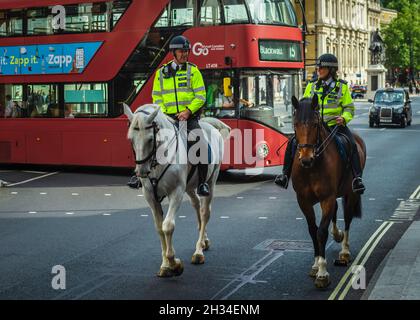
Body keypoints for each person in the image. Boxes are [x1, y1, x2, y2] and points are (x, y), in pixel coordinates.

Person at [127, 35, 209, 196]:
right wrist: (164, 114)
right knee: (144, 140)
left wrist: (187, 112)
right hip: (167, 117)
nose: (185, 54)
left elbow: (201, 96)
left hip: (188, 117)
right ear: (173, 52)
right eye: (181, 51)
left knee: (201, 145)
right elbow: (157, 97)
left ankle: (202, 183)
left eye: (187, 51)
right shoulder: (161, 73)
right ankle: (139, 176)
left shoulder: (194, 71)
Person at [274, 53, 366, 195]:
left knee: (352, 144)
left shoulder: (341, 87)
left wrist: (344, 118)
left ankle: (356, 179)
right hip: (313, 126)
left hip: (335, 125)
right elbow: (304, 104)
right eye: (318, 67)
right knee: (292, 143)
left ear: (331, 70)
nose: (318, 70)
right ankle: (285, 175)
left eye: (322, 68)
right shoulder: (311, 86)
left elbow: (349, 108)